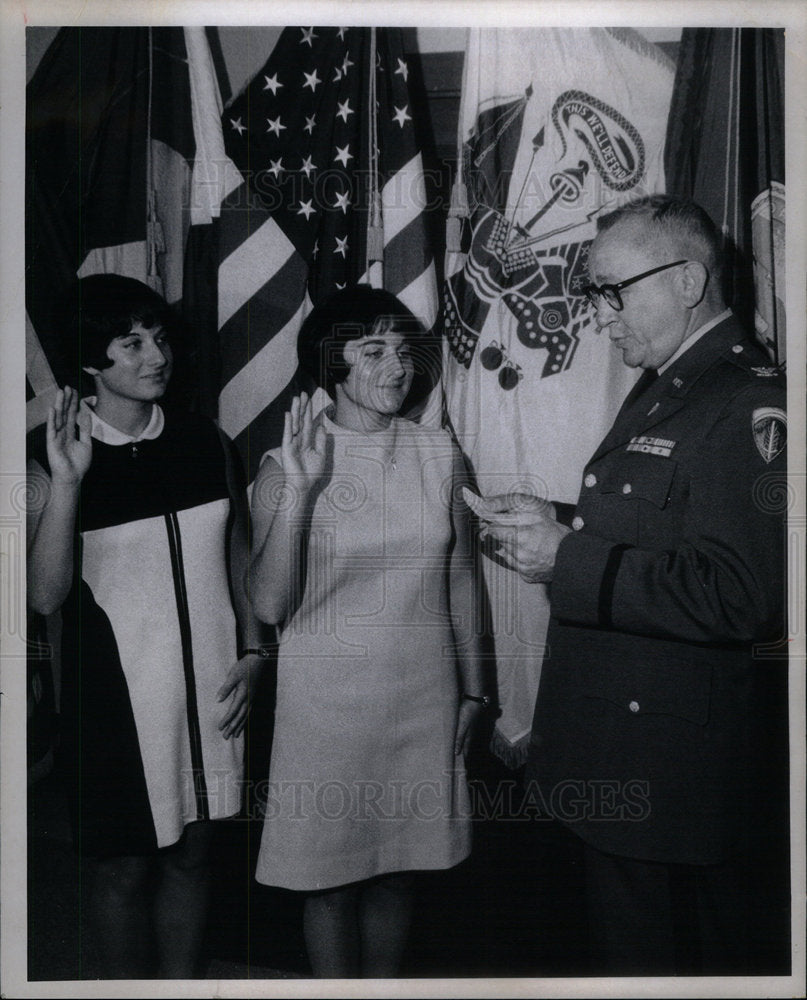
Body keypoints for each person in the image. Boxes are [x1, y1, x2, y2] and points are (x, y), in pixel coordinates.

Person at [475, 195, 787, 975]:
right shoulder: (673, 381)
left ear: (686, 280)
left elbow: (741, 595)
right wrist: (551, 518)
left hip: (666, 773)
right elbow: (659, 521)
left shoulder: (747, 399)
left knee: (663, 965)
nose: (598, 315)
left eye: (612, 290)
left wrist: (565, 558)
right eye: (592, 293)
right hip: (621, 749)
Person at [26, 274, 264, 978]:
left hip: (214, 690)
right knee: (125, 871)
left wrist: (254, 651)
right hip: (115, 704)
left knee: (194, 855)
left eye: (158, 338)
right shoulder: (47, 456)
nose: (155, 355)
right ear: (89, 363)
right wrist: (68, 481)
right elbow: (44, 595)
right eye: (130, 342)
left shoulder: (203, 441)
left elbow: (238, 555)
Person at [249, 286, 485, 978]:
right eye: (373, 350)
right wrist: (294, 494)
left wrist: (476, 691)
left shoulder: (439, 452)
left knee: (400, 871)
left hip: (422, 698)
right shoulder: (286, 462)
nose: (398, 367)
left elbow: (462, 579)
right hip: (324, 709)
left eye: (402, 350)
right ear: (332, 365)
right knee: (329, 880)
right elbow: (266, 604)